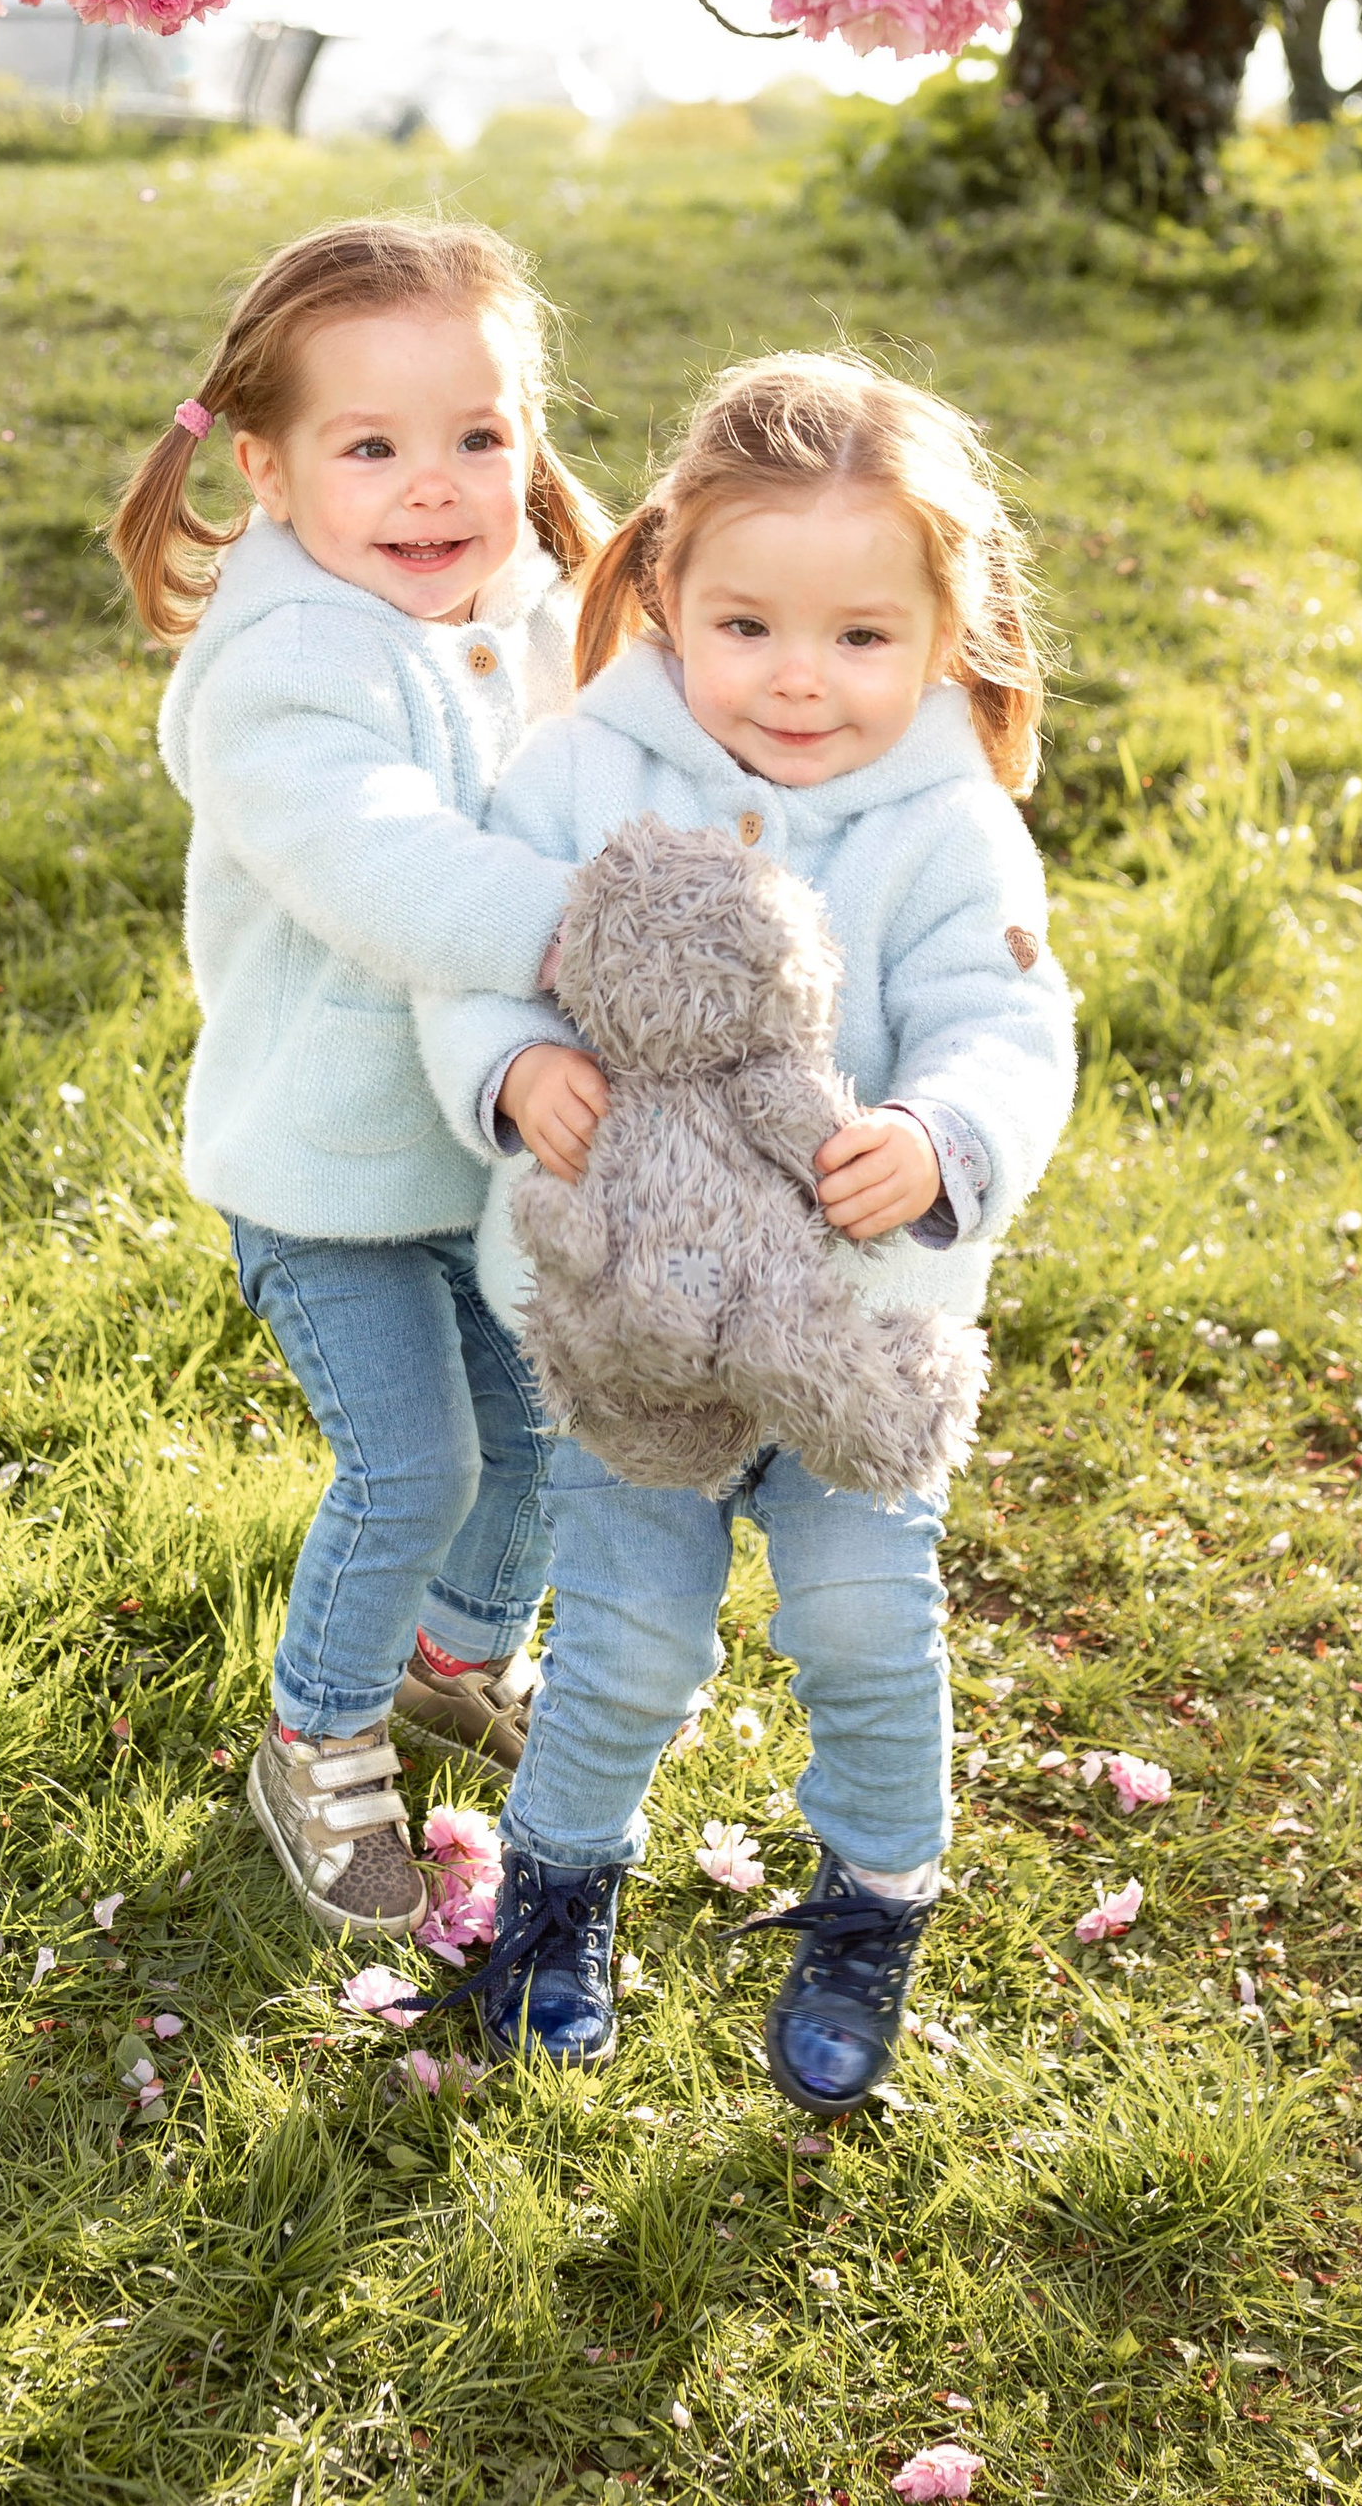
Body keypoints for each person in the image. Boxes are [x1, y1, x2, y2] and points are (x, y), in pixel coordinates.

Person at [416, 352, 1077, 2109]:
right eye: (749, 625)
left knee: (863, 1621)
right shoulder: (582, 772)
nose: (800, 677)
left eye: (861, 636)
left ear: (941, 633)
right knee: (629, 1630)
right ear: (666, 593)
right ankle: (560, 1888)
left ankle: (871, 1899)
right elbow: (476, 961)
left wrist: (938, 1138)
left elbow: (1011, 1026)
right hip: (631, 1321)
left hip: (856, 1324)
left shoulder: (950, 824)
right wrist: (514, 1066)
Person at [110, 217, 605, 1942]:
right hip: (324, 1176)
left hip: (492, 1152)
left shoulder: (534, 615)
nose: (434, 485)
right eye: (371, 446)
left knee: (537, 1431)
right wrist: (607, 937)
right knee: (416, 1463)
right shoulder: (283, 676)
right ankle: (317, 1734)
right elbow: (398, 872)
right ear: (265, 466)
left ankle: (450, 1663)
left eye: (477, 434)